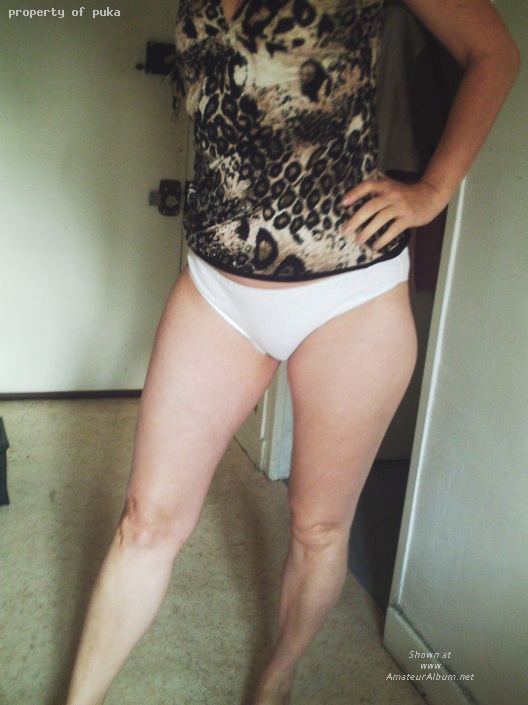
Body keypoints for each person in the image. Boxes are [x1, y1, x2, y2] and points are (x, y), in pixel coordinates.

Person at [65, 1, 519, 703]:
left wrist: (433, 191)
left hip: (350, 296)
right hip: (216, 288)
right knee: (145, 521)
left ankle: (278, 674)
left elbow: (494, 53)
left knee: (318, 527)